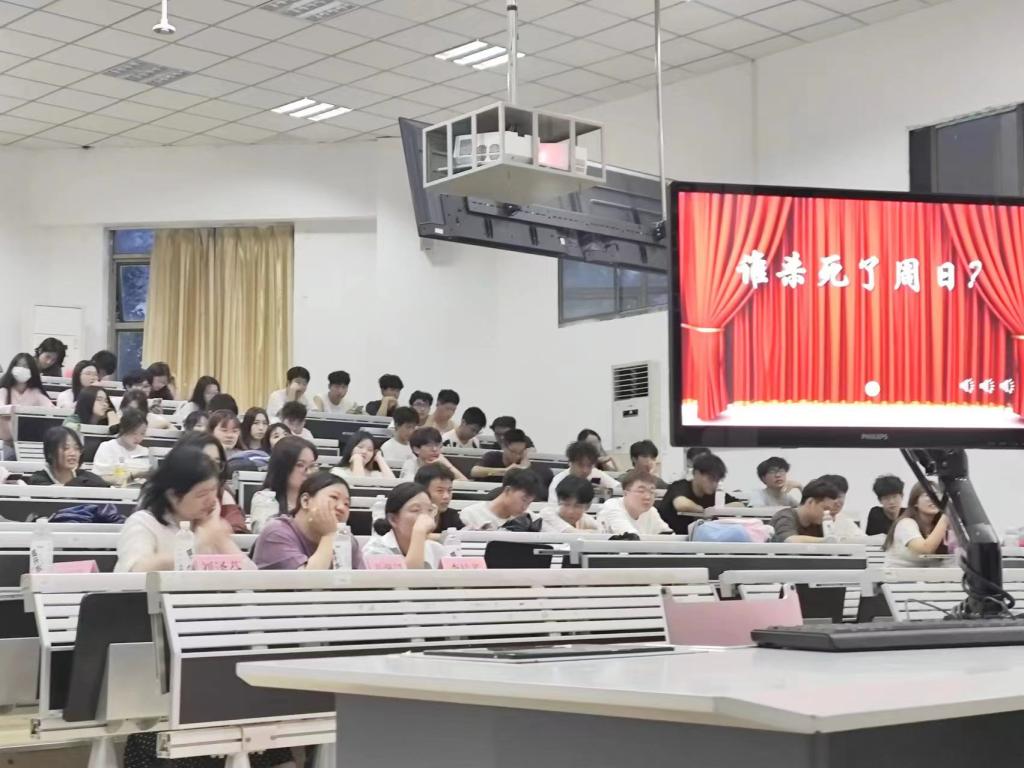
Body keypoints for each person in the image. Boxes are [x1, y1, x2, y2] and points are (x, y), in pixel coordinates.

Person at [114, 447, 247, 572]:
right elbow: (137, 570)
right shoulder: (143, 522)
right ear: (173, 496)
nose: (211, 500)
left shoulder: (208, 525)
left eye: (213, 490)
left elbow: (250, 575)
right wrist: (198, 545)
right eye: (201, 494)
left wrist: (220, 539)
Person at [253, 472, 365, 570]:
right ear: (305, 501)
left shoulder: (347, 540)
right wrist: (329, 535)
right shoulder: (276, 533)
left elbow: (363, 583)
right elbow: (307, 583)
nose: (341, 508)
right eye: (334, 497)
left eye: (347, 504)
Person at [176, 431, 249, 533]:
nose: (212, 469)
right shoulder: (170, 496)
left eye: (216, 463)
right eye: (205, 462)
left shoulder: (221, 492)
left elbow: (238, 530)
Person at [363, 482, 446, 568]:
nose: (425, 517)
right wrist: (419, 532)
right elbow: (410, 576)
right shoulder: (374, 551)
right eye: (415, 510)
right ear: (393, 519)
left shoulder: (437, 550)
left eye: (429, 510)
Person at [658, 452, 737, 535]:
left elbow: (738, 504)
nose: (714, 484)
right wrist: (705, 512)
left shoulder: (714, 493)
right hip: (666, 537)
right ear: (697, 473)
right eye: (711, 478)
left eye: (717, 480)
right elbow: (681, 504)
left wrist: (716, 510)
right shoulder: (679, 486)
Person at [250, 436, 318, 526]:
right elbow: (268, 531)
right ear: (283, 467)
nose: (309, 472)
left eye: (312, 466)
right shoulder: (265, 498)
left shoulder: (319, 498)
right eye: (300, 465)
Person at [0, 353, 54, 458]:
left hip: (30, 444)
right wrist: (14, 410)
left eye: (26, 366)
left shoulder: (35, 393)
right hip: (8, 443)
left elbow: (51, 409)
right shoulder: (4, 391)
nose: (22, 369)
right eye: (19, 365)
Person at [884, 482, 951, 566]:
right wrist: (946, 517)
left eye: (937, 495)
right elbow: (925, 549)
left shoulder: (938, 525)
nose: (934, 499)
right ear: (915, 502)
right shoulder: (905, 524)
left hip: (928, 573)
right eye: (928, 495)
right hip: (899, 573)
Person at [472, 428, 554, 496]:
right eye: (513, 452)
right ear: (504, 446)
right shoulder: (492, 456)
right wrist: (505, 471)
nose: (517, 456)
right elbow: (474, 471)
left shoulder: (531, 466)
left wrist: (525, 470)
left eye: (521, 452)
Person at [26, 426, 108, 487]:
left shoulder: (87, 477)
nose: (73, 453)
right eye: (66, 448)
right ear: (50, 452)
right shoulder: (38, 479)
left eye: (76, 448)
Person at [459, 469, 540, 531]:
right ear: (508, 491)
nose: (524, 507)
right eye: (524, 500)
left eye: (529, 503)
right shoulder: (471, 514)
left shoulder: (529, 518)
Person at [769, 478, 842, 543]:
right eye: (825, 509)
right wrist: (825, 541)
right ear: (811, 502)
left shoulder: (818, 523)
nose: (827, 514)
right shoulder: (785, 517)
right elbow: (790, 540)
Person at [547, 440, 621, 505]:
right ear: (570, 462)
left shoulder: (596, 474)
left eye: (589, 465)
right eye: (580, 465)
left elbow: (619, 489)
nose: (585, 470)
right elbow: (553, 509)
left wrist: (607, 491)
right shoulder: (558, 481)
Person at [598, 470, 670, 535]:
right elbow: (631, 539)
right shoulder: (612, 506)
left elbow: (668, 534)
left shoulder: (651, 511)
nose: (648, 497)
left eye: (652, 492)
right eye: (641, 491)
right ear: (625, 493)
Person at [92, 408, 150, 484]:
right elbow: (99, 477)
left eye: (142, 433)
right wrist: (131, 476)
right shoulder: (107, 447)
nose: (138, 438)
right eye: (134, 433)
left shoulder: (145, 451)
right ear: (123, 429)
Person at [398, 427, 466, 481]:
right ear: (416, 449)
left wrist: (447, 464)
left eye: (437, 445)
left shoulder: (441, 465)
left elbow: (465, 483)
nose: (435, 449)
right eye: (429, 445)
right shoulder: (410, 464)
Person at [414, 463, 462, 532]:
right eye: (440, 491)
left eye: (449, 490)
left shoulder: (452, 516)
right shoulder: (411, 516)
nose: (446, 496)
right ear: (423, 491)